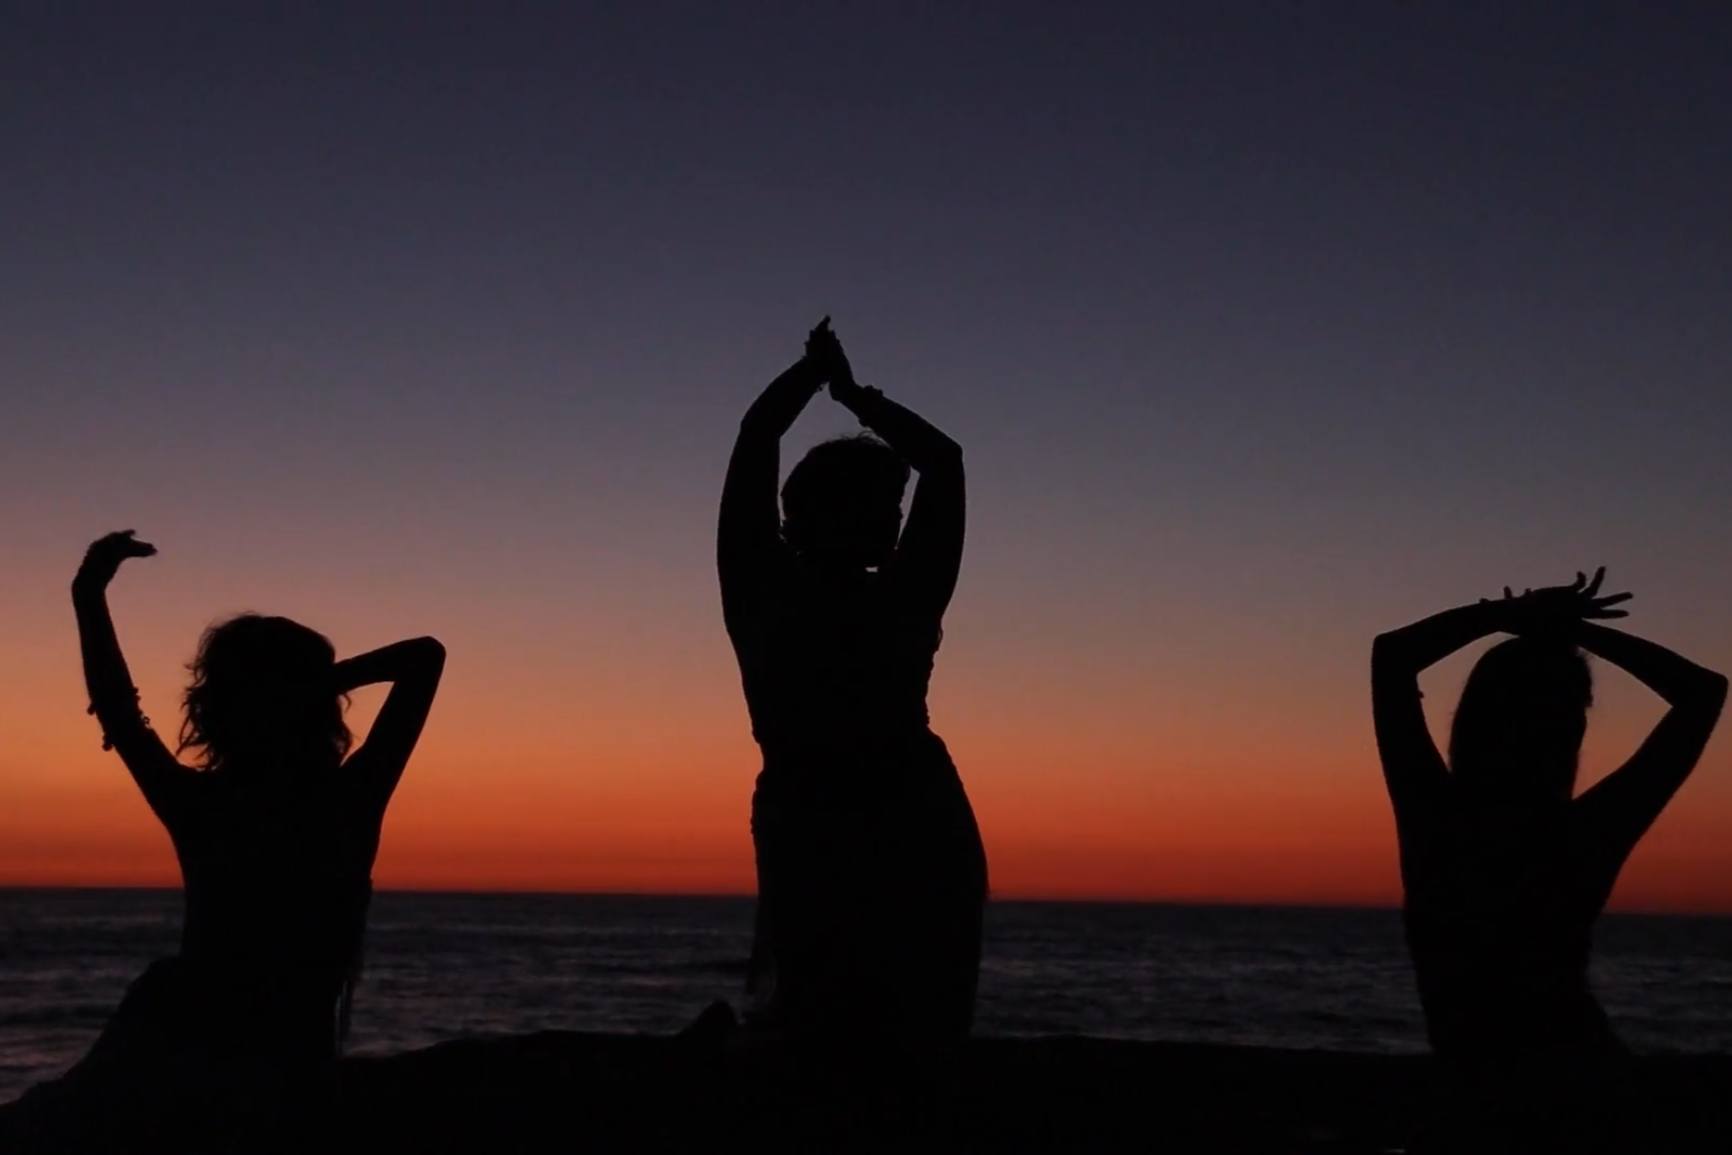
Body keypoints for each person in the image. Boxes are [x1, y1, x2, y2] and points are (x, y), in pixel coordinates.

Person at [38, 529, 446, 1140]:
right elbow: (424, 658)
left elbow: (119, 711)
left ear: (214, 708)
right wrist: (320, 682)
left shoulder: (201, 803)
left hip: (191, 1063)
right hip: (268, 1077)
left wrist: (89, 593)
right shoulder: (349, 798)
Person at [1372, 569, 1726, 1151]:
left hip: (1528, 1105)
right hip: (1584, 1099)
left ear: (1472, 717)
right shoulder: (1588, 830)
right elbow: (1701, 692)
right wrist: (1570, 631)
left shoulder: (1436, 815)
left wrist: (1514, 617)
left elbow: (1394, 657)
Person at [717, 319, 988, 1054]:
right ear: (828, 512)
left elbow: (756, 435)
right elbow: (944, 461)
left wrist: (825, 381)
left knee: (860, 1013)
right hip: (878, 811)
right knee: (870, 1013)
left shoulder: (760, 587)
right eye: (882, 510)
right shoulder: (885, 593)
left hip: (872, 810)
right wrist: (845, 391)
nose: (896, 527)